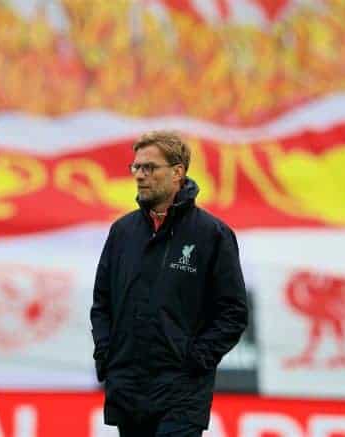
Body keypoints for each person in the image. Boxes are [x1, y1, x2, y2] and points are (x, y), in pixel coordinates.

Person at [90, 131, 248, 436]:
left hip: (181, 394)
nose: (139, 176)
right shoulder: (122, 232)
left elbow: (233, 312)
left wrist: (195, 358)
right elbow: (102, 303)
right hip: (129, 390)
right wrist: (107, 355)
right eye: (136, 167)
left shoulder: (212, 235)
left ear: (178, 172)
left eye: (150, 168)